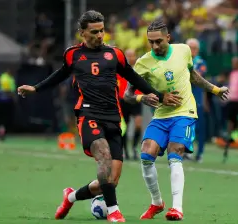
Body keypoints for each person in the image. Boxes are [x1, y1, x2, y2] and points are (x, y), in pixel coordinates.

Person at [17, 10, 181, 223]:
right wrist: (36, 88)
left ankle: (71, 196)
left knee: (110, 180)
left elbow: (133, 77)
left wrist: (159, 95)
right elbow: (60, 75)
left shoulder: (115, 54)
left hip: (113, 117)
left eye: (102, 31)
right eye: (94, 31)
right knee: (102, 156)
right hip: (88, 114)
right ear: (82, 33)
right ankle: (114, 210)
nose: (99, 35)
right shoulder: (73, 54)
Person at [124, 19, 229, 221]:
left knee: (175, 152)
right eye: (150, 42)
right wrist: (142, 97)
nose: (155, 46)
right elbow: (127, 94)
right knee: (146, 155)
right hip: (161, 116)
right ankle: (156, 203)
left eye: (158, 41)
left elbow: (193, 76)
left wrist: (215, 89)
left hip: (185, 112)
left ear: (168, 38)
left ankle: (177, 208)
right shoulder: (143, 63)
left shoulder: (183, 50)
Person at [118, 49, 143, 160]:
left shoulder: (139, 69)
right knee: (124, 127)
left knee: (138, 124)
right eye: (127, 55)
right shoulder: (119, 69)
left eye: (132, 55)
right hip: (123, 101)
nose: (130, 58)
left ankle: (134, 148)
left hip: (136, 99)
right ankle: (125, 150)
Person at [186, 38, 208, 162]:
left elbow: (197, 77)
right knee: (185, 125)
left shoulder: (200, 62)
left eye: (194, 48)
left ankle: (200, 153)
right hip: (184, 98)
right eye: (190, 48)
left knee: (199, 127)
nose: (192, 51)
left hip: (197, 98)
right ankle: (186, 151)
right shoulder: (181, 61)